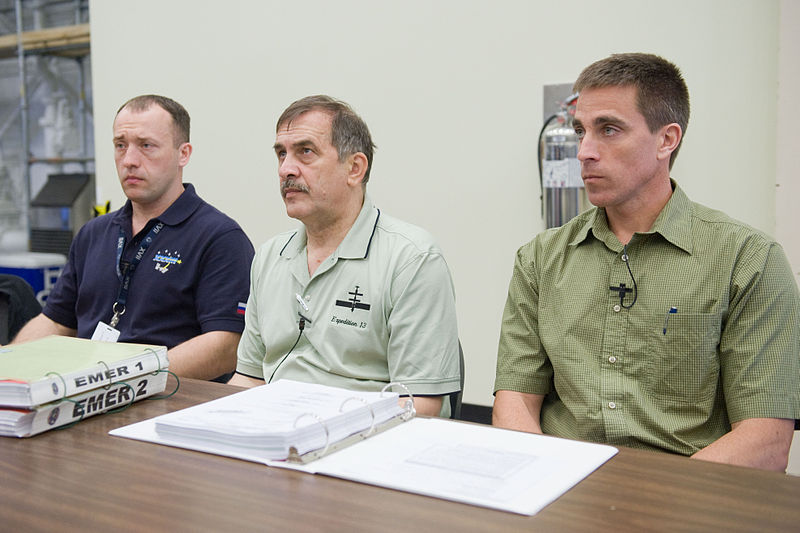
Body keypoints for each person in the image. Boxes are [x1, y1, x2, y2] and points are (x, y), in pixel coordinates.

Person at [493, 53, 800, 471]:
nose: (584, 151)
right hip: (561, 491)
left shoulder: (748, 261)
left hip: (688, 498)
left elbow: (765, 441)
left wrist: (646, 502)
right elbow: (515, 404)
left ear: (666, 139)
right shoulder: (540, 259)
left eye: (609, 130)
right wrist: (548, 482)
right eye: (580, 130)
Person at [229, 95, 460, 416]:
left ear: (354, 168)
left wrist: (320, 430)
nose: (285, 169)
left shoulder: (412, 258)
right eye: (281, 154)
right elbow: (249, 377)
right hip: (274, 432)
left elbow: (419, 405)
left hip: (369, 443)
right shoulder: (270, 255)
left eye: (305, 152)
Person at [13, 95, 254, 382]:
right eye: (120, 145)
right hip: (88, 395)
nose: (129, 160)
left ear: (183, 154)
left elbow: (225, 346)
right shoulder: (93, 233)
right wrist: (9, 363)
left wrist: (123, 379)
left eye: (146, 146)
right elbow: (55, 321)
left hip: (168, 400)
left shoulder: (219, 237)